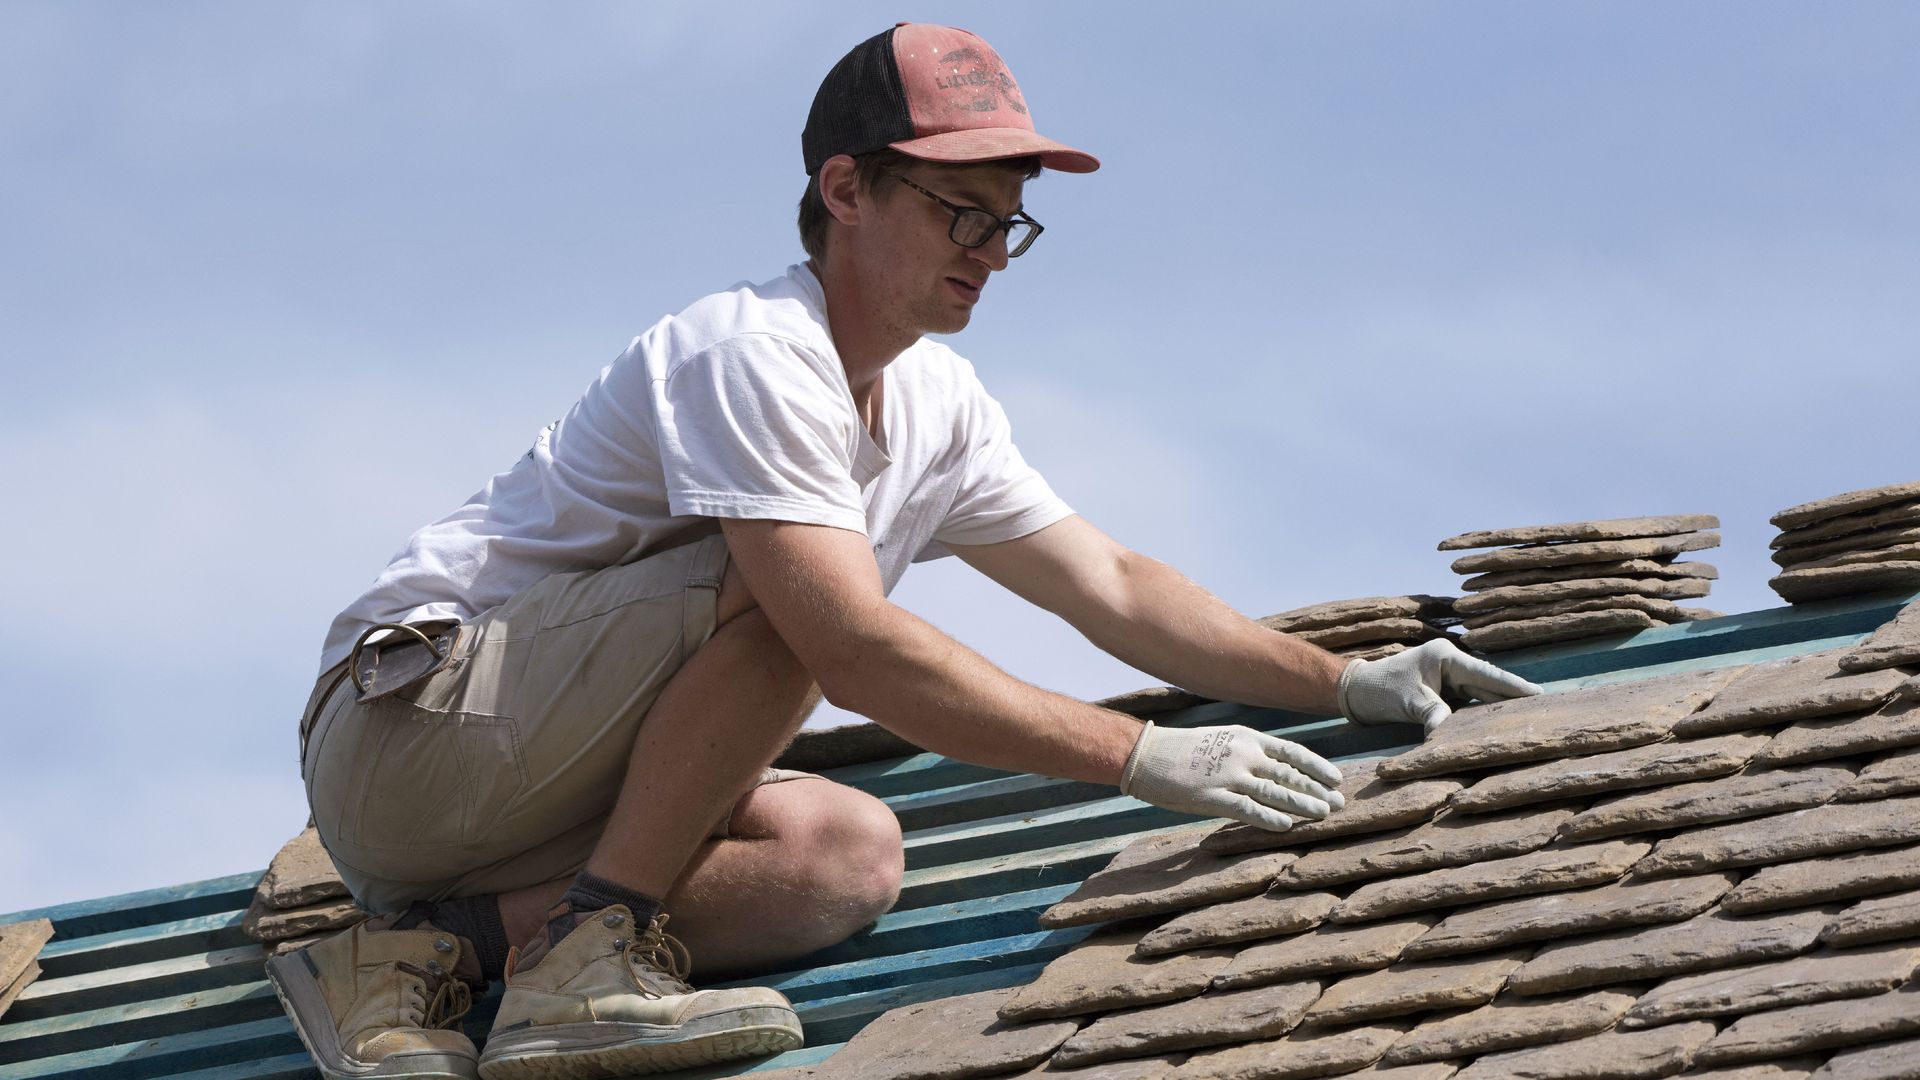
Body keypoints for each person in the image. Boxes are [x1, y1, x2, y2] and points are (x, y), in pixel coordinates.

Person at [267, 22, 1544, 1080]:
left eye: (1009, 226)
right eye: (958, 214)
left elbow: (1111, 588)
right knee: (808, 602)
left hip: (521, 797)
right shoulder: (752, 349)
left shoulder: (937, 404)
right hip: (407, 733)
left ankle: (420, 956)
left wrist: (1342, 678)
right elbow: (845, 645)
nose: (990, 255)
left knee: (840, 860)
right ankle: (585, 963)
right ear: (845, 189)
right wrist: (1144, 756)